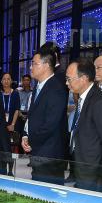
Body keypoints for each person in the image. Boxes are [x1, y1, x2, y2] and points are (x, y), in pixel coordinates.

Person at [65, 58, 102, 194]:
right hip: (82, 163)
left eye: (69, 79)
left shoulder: (98, 101)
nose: (67, 83)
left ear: (83, 79)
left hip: (93, 168)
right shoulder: (84, 98)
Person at [21, 49, 69, 185]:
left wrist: (31, 140)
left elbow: (50, 124)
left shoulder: (56, 89)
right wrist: (25, 135)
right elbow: (32, 116)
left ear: (46, 65)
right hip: (39, 150)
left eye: (34, 63)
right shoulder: (38, 87)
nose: (31, 67)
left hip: (50, 154)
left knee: (48, 191)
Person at [0, 73, 21, 175]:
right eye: (4, 79)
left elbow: (17, 110)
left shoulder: (15, 93)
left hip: (12, 124)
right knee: (3, 148)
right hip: (1, 125)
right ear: (1, 81)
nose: (6, 81)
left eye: (8, 79)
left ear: (11, 81)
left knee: (11, 148)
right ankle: (3, 169)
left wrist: (12, 124)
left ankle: (10, 170)